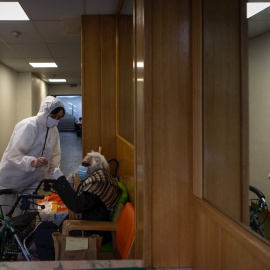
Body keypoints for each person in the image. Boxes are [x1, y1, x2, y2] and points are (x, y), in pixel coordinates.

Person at [35, 151, 122, 261]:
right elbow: (80, 201)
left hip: (90, 234)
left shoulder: (99, 182)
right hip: (85, 225)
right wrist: (61, 184)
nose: (82, 167)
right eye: (82, 164)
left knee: (42, 237)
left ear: (96, 167)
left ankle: (53, 264)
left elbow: (77, 205)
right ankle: (55, 258)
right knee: (44, 227)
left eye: (85, 164)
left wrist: (61, 179)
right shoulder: (97, 179)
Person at [0, 96, 65, 216]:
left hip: (33, 181)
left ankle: (23, 234)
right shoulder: (29, 125)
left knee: (27, 217)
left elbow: (55, 157)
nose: (55, 120)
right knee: (4, 218)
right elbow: (13, 154)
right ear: (44, 112)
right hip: (12, 179)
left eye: (59, 118)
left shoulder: (53, 130)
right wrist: (32, 162)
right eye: (53, 116)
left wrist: (55, 179)